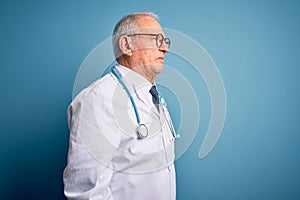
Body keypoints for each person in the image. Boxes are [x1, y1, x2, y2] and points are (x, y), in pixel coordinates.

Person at [63, 12, 176, 200]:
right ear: (126, 45)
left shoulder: (153, 97)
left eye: (164, 41)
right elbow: (85, 192)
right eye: (156, 39)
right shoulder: (99, 99)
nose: (165, 48)